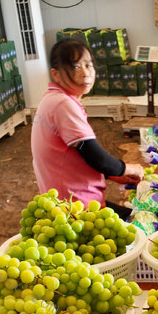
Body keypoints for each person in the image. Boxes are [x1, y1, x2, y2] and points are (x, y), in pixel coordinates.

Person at [31, 38, 144, 212]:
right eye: (76, 67)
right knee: (147, 223)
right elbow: (94, 156)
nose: (85, 73)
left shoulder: (52, 99)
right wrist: (128, 168)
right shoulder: (63, 104)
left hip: (64, 201)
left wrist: (115, 175)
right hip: (76, 207)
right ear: (56, 74)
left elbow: (77, 154)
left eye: (89, 65)